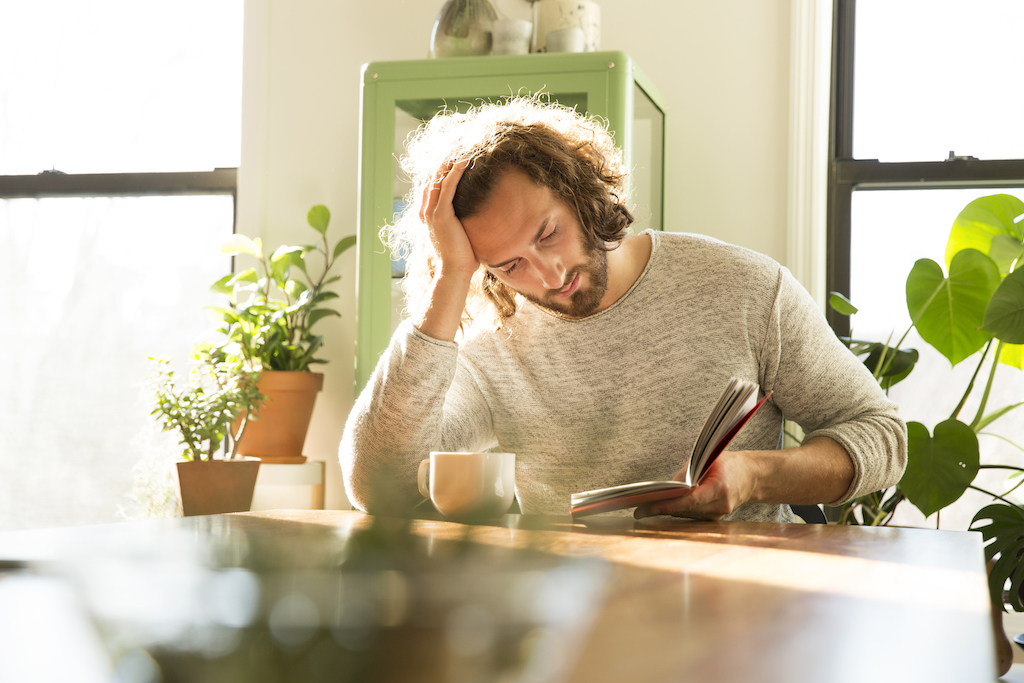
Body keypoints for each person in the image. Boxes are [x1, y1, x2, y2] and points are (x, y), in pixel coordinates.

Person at [340, 97, 907, 522]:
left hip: (737, 605)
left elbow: (883, 436)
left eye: (547, 233)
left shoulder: (744, 287)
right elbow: (378, 486)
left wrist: (755, 476)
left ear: (581, 190)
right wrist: (450, 281)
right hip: (567, 619)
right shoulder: (492, 341)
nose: (548, 275)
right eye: (507, 264)